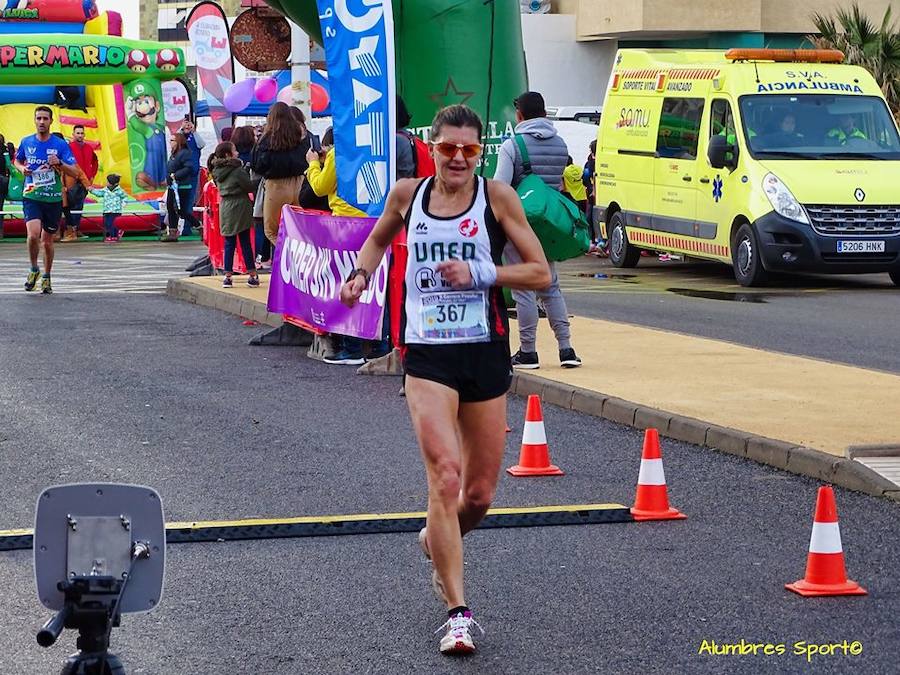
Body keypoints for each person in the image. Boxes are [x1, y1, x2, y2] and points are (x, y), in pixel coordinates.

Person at [339, 104, 551, 655]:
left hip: (482, 350)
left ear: (481, 152)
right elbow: (378, 241)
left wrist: (481, 272)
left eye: (470, 150)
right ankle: (458, 612)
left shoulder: (496, 200)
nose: (458, 158)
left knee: (478, 494)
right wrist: (360, 274)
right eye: (448, 148)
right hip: (427, 353)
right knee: (446, 475)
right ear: (430, 148)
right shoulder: (407, 196)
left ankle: (436, 537)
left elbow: (541, 272)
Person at [494, 91, 582, 370]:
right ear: (544, 113)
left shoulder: (513, 145)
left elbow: (501, 187)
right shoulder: (560, 143)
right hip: (549, 223)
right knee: (551, 286)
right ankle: (566, 348)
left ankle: (528, 351)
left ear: (519, 115)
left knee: (523, 289)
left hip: (519, 223)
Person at [15, 106, 80, 294]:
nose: (42, 122)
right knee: (33, 235)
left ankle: (46, 277)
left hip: (52, 199)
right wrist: (21, 169)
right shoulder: (26, 142)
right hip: (32, 196)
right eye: (38, 118)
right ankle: (34, 269)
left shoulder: (60, 145)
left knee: (47, 242)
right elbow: (17, 160)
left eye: (45, 118)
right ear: (34, 120)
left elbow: (75, 171)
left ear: (51, 121)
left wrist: (59, 163)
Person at [250, 102, 310, 248]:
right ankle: (301, 255)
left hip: (276, 185)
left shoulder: (268, 139)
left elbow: (258, 165)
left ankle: (286, 254)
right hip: (300, 183)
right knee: (300, 228)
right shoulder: (301, 136)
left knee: (272, 230)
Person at [210, 141, 259, 288]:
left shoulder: (217, 171)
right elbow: (248, 186)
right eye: (235, 150)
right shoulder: (237, 170)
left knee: (229, 242)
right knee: (245, 242)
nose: (237, 153)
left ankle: (227, 276)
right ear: (228, 154)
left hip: (226, 206)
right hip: (240, 205)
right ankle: (252, 275)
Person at [62, 124, 98, 241]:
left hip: (85, 181)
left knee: (79, 205)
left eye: (82, 133)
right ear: (73, 134)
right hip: (71, 180)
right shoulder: (68, 147)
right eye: (78, 133)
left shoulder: (88, 148)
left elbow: (95, 161)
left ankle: (76, 229)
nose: (80, 135)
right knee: (69, 206)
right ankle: (69, 231)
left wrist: (92, 175)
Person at [163, 132, 201, 241]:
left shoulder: (184, 153)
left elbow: (189, 168)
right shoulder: (174, 154)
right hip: (172, 186)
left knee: (183, 211)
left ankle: (198, 226)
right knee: (171, 208)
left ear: (178, 142)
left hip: (182, 186)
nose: (170, 143)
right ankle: (173, 232)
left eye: (172, 140)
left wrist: (176, 175)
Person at [90, 173, 129, 242]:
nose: (106, 183)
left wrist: (124, 203)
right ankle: (116, 233)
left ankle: (113, 236)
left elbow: (125, 197)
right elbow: (99, 193)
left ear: (113, 183)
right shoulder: (105, 190)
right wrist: (92, 190)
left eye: (108, 182)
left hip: (116, 211)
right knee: (107, 224)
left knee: (112, 223)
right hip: (106, 210)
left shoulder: (119, 191)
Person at [180, 116, 206, 212]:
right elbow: (175, 143)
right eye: (185, 123)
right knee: (180, 199)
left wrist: (194, 131)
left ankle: (187, 224)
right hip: (180, 174)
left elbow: (202, 144)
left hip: (193, 173)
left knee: (190, 199)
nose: (187, 125)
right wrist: (181, 128)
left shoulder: (194, 136)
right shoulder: (179, 137)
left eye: (189, 123)